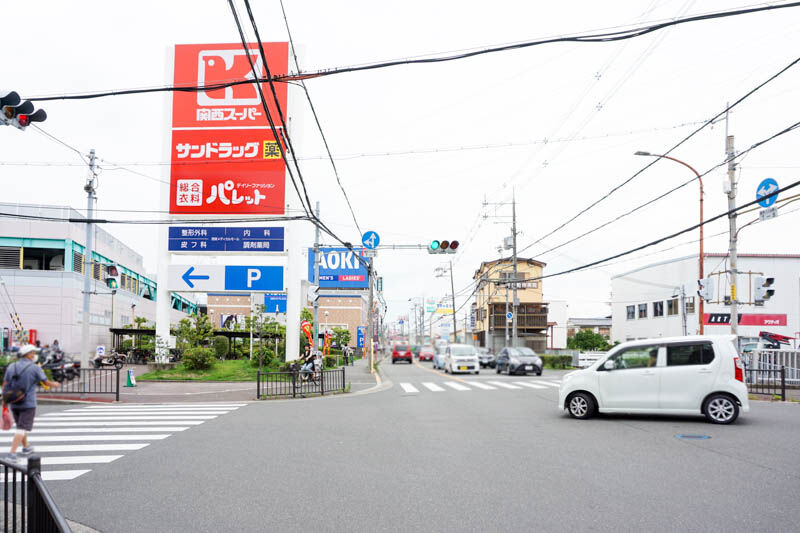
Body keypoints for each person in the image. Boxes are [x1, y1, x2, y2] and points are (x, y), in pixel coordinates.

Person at [3, 344, 60, 462]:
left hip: (13, 401)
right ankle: (12, 454)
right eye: (33, 353)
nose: (34, 355)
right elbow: (45, 382)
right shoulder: (34, 368)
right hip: (28, 402)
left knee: (21, 426)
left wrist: (4, 401)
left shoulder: (12, 366)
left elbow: (5, 384)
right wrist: (54, 384)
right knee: (22, 428)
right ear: (28, 355)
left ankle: (26, 447)